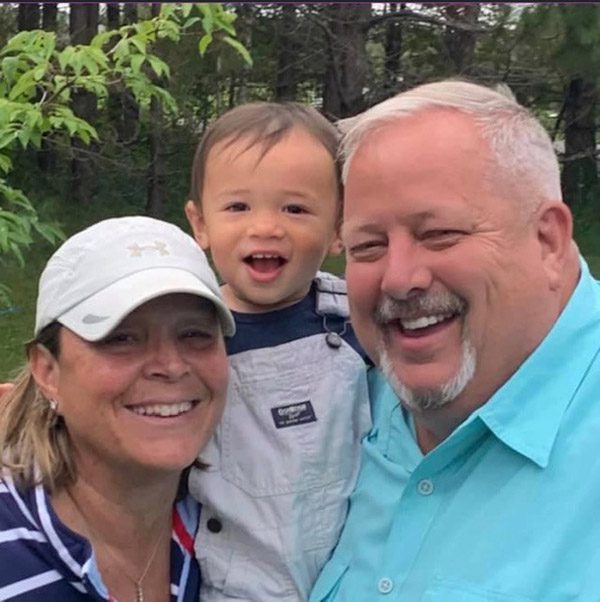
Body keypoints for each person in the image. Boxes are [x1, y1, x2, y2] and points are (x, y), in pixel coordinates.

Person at [310, 80, 600, 601]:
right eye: (368, 246)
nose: (398, 279)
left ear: (548, 241)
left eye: (439, 234)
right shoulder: (340, 401)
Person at [184, 102, 372, 601]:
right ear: (200, 224)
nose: (265, 227)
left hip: (355, 577)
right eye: (238, 207)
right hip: (231, 585)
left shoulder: (356, 320)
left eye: (295, 208)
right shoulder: (188, 334)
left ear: (339, 227)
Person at [0, 215, 236, 601]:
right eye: (122, 338)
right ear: (48, 371)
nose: (171, 365)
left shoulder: (241, 524)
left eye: (194, 334)